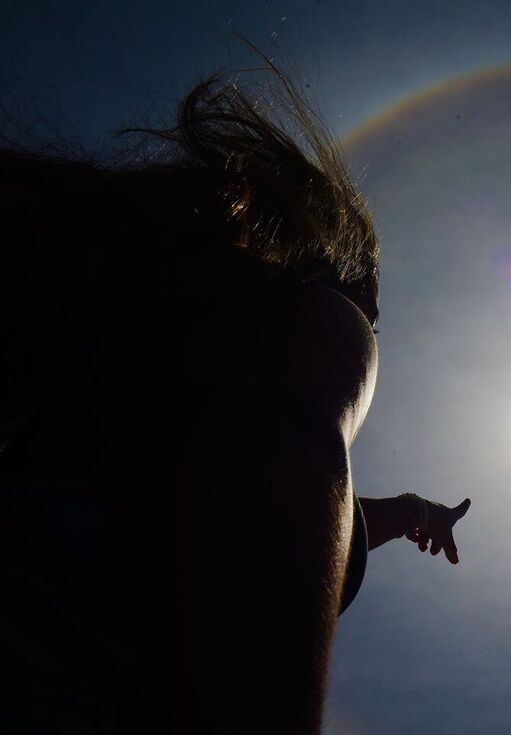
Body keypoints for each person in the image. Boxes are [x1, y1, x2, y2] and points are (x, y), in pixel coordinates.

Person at [0, 68, 469, 734]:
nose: (372, 328)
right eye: (372, 311)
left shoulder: (127, 394)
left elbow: (239, 504)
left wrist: (412, 511)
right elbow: (280, 486)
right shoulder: (325, 325)